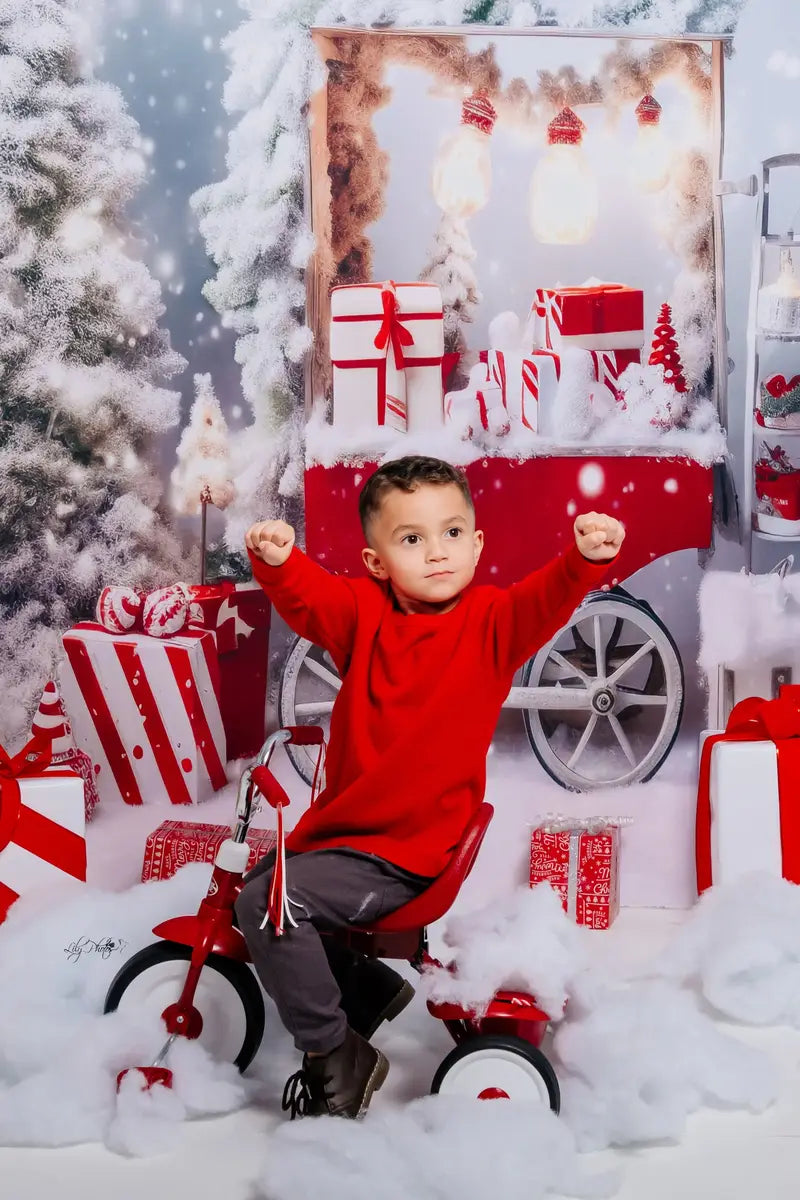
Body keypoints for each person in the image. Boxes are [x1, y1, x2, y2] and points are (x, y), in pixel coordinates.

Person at [236, 454, 624, 1122]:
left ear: (476, 544)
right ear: (378, 561)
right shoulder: (361, 613)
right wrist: (280, 563)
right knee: (265, 884)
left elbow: (546, 596)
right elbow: (312, 599)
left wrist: (583, 560)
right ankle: (364, 989)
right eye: (411, 539)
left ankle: (338, 1054)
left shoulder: (492, 622)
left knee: (272, 905)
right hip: (347, 837)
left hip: (404, 854)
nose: (436, 552)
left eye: (451, 533)